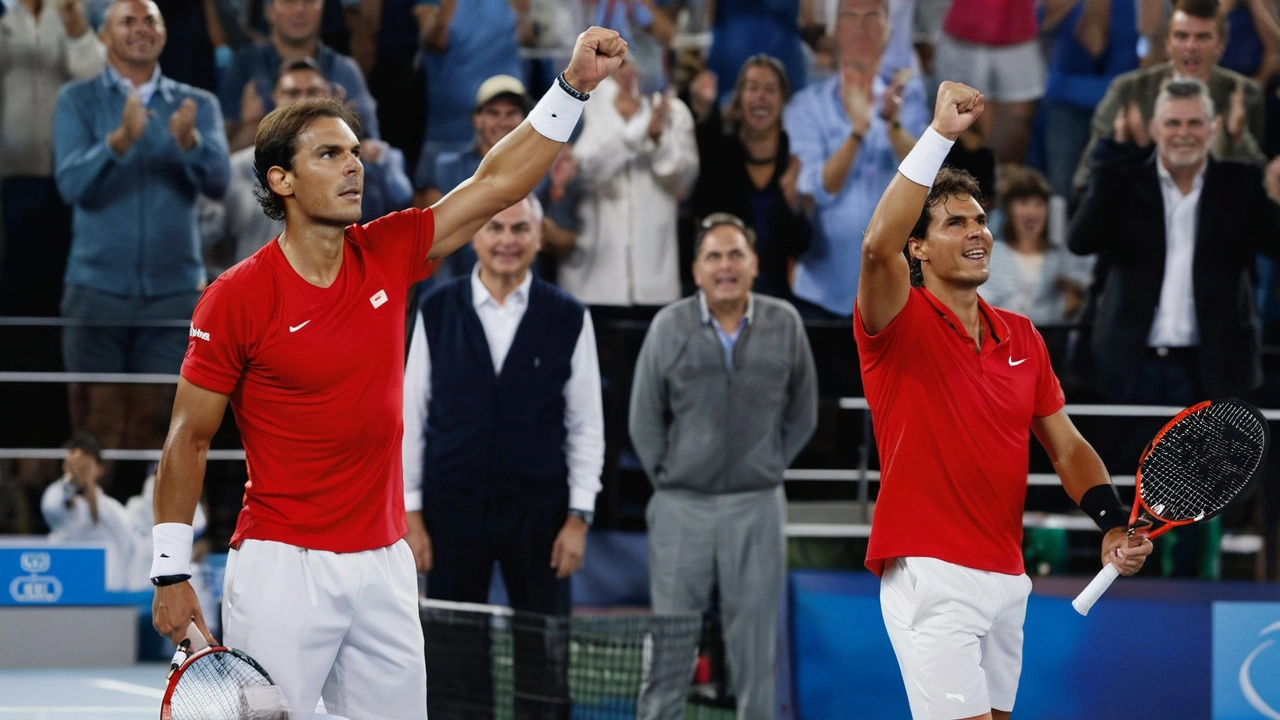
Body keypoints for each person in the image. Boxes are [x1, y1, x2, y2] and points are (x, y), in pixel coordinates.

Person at [147, 26, 627, 720]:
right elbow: (187, 439)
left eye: (352, 150)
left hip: (384, 561)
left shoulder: (390, 248)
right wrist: (170, 570)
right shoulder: (236, 296)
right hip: (284, 565)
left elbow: (495, 184)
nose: (353, 166)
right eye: (328, 154)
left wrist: (573, 86)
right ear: (280, 179)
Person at [854, 81, 1152, 720]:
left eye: (981, 220)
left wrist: (1112, 523)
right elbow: (875, 245)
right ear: (918, 247)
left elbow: (1066, 446)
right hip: (930, 572)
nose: (978, 232)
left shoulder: (1023, 336)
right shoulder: (894, 324)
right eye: (954, 222)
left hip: (1005, 578)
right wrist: (939, 135)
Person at [402, 194, 604, 720]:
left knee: (544, 653)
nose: (507, 240)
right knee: (452, 652)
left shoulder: (569, 316)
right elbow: (410, 417)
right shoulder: (436, 309)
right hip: (452, 508)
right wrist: (413, 513)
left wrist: (579, 518)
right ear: (474, 236)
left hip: (541, 511)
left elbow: (587, 426)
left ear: (539, 237)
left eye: (519, 229)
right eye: (495, 227)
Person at [1068, 78, 1280, 577]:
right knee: (1120, 497)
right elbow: (1080, 240)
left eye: (1193, 123)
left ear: (1210, 129)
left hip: (1209, 374)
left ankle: (1191, 598)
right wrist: (1110, 155)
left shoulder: (1241, 183)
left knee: (1200, 509)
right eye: (1173, 123)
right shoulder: (1121, 176)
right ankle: (1118, 610)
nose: (1183, 133)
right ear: (1156, 128)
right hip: (1127, 369)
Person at [628, 213, 818, 720]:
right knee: (669, 648)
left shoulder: (785, 323)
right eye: (714, 256)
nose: (726, 266)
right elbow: (644, 418)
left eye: (736, 254)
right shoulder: (669, 326)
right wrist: (671, 477)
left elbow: (804, 412)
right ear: (695, 271)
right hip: (680, 506)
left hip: (756, 504)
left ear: (756, 264)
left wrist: (770, 465)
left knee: (756, 651)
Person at [53, 0, 230, 459]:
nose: (140, 29)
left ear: (165, 33)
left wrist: (189, 143)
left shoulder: (198, 104)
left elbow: (219, 182)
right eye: (127, 21)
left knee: (170, 432)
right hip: (96, 290)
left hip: (174, 294)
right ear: (105, 35)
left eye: (150, 20)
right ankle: (91, 527)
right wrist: (119, 141)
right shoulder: (77, 100)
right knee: (97, 429)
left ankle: (172, 533)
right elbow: (71, 185)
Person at [782, 0, 928, 319]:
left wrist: (892, 125)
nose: (861, 28)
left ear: (889, 32)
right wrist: (858, 131)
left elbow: (928, 181)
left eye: (872, 18)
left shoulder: (910, 98)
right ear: (834, 31)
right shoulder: (804, 107)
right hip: (822, 294)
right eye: (851, 18)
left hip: (895, 294)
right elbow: (817, 189)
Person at [201, 57, 413, 271]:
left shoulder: (357, 161)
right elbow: (205, 237)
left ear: (332, 97)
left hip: (340, 291)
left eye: (313, 92)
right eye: (292, 93)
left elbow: (402, 202)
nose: (302, 101)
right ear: (274, 98)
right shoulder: (236, 168)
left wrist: (380, 165)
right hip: (258, 294)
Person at [1072, 0, 1266, 196]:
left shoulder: (1243, 94)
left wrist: (1240, 138)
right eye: (1181, 36)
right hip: (1140, 214)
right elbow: (1086, 179)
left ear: (1220, 46)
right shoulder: (1129, 90)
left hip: (1220, 214)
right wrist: (1123, 145)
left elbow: (1262, 188)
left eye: (1202, 37)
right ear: (1168, 43)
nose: (1191, 47)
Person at [559, 57, 699, 307]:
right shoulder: (578, 110)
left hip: (656, 284)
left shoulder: (672, 112)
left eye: (631, 63)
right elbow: (580, 176)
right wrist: (639, 130)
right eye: (616, 65)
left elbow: (683, 184)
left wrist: (657, 141)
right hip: (590, 281)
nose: (627, 71)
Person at [691, 54, 812, 303]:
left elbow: (802, 244)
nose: (760, 97)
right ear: (738, 99)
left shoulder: (796, 156)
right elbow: (699, 217)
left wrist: (794, 204)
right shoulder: (717, 153)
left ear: (783, 101)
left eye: (770, 89)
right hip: (722, 294)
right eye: (752, 88)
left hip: (781, 299)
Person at [220, 0, 380, 152]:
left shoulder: (345, 70)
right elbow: (226, 156)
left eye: (309, 1)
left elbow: (371, 147)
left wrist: (340, 122)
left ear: (322, 8)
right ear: (269, 11)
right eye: (289, 1)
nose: (299, 10)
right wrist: (251, 126)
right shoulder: (245, 65)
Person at [980, 166, 1089, 326]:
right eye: (1023, 203)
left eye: (1038, 204)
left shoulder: (1059, 258)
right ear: (1010, 210)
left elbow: (1076, 301)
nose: (1031, 211)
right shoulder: (992, 255)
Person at [40, 434, 134, 592]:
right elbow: (52, 507)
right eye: (73, 465)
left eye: (86, 465)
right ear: (64, 466)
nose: (80, 470)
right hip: (63, 584)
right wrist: (73, 480)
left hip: (104, 588)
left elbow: (125, 541)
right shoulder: (56, 497)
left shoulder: (114, 509)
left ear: (100, 469)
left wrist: (88, 484)